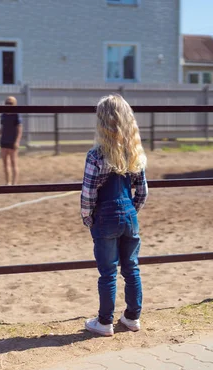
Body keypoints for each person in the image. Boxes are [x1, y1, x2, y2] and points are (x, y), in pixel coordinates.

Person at [81, 94, 148, 337]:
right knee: (131, 267)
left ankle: (104, 322)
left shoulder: (96, 156)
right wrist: (131, 211)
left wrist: (88, 218)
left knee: (108, 272)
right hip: (130, 216)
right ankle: (132, 317)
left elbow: (88, 195)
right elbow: (142, 192)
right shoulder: (135, 153)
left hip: (105, 219)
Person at [0, 96, 23, 185]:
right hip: (4, 141)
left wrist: (17, 141)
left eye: (10, 103)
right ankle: (8, 182)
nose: (8, 105)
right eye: (7, 103)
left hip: (12, 142)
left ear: (14, 104)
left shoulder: (16, 115)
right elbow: (2, 128)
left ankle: (14, 183)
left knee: (13, 162)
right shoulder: (3, 114)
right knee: (5, 163)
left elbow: (19, 129)